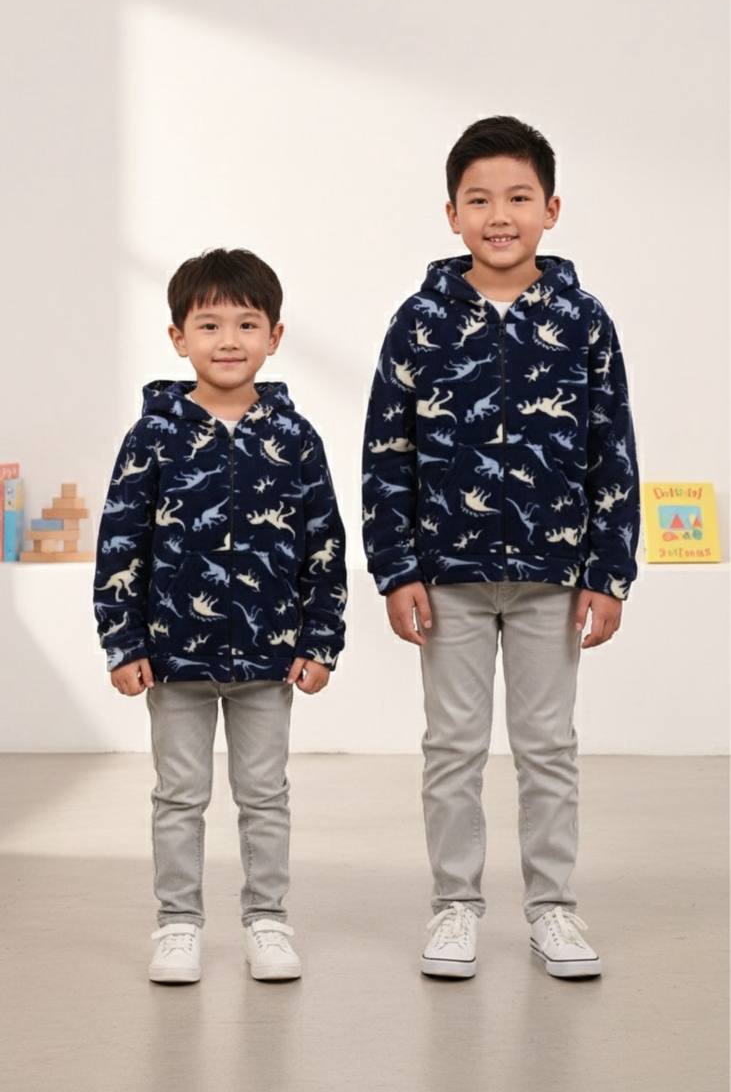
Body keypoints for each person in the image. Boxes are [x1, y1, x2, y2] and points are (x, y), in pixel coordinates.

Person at [361, 115, 640, 980]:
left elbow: (612, 449)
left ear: (550, 209)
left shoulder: (583, 321)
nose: (499, 215)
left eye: (518, 197)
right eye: (478, 200)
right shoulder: (418, 322)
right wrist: (395, 568)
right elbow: (386, 451)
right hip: (446, 576)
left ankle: (552, 907)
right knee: (451, 746)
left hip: (553, 575)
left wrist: (608, 572)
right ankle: (454, 906)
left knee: (546, 746)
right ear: (451, 214)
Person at [93, 247, 347, 984]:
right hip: (174, 659)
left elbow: (323, 545)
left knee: (264, 796)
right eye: (209, 325)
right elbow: (120, 543)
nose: (228, 340)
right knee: (179, 796)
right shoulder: (152, 437)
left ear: (275, 335)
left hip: (269, 660)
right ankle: (177, 925)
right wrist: (122, 642)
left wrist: (321, 640)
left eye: (246, 323)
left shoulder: (296, 440)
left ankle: (268, 920)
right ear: (178, 338)